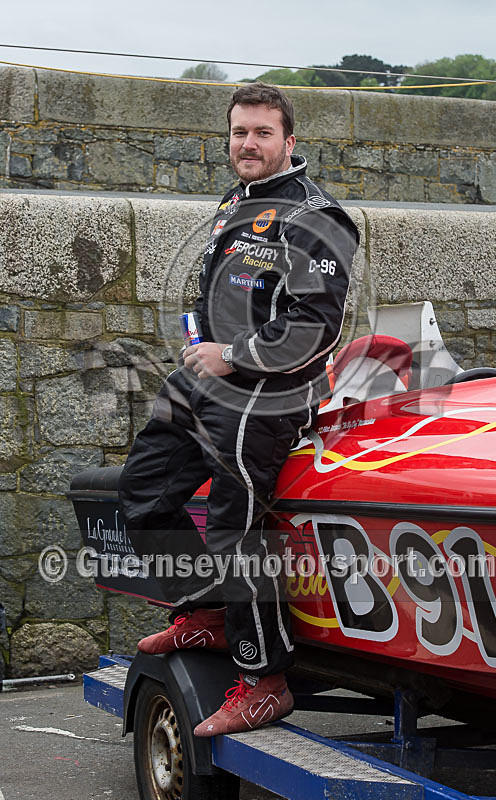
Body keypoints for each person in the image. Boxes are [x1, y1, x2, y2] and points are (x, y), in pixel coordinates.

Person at [118, 82, 359, 737]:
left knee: (234, 526)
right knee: (140, 489)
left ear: (288, 140)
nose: (246, 143)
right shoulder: (234, 202)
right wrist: (200, 346)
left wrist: (234, 355)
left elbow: (318, 323)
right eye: (237, 132)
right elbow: (204, 291)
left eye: (260, 133)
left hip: (268, 393)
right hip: (207, 378)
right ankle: (208, 614)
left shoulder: (317, 216)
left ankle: (263, 680)